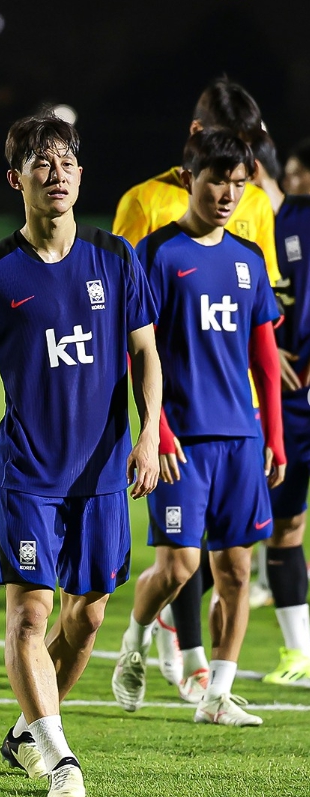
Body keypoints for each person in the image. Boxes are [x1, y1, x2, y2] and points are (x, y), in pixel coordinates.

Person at [0, 113, 160, 797]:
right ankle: (60, 757)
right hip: (28, 475)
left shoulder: (114, 257)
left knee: (91, 614)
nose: (59, 172)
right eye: (43, 162)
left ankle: (27, 729)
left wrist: (152, 430)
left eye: (68, 160)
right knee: (29, 615)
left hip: (101, 472)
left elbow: (146, 354)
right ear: (17, 178)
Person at [112, 76, 281, 690]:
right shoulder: (153, 243)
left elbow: (263, 346)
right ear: (191, 174)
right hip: (181, 429)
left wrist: (274, 434)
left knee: (235, 569)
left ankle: (215, 689)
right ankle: (140, 639)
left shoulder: (249, 246)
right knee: (181, 566)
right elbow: (133, 341)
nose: (232, 192)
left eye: (241, 179)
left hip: (241, 429)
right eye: (220, 178)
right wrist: (155, 426)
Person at [250, 131, 310, 684]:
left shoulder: (294, 221)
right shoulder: (266, 227)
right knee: (284, 525)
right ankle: (300, 653)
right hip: (287, 404)